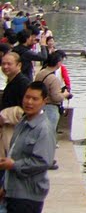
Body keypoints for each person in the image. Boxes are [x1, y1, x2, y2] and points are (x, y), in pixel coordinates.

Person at [0, 82, 55, 213]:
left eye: (35, 99)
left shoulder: (44, 129)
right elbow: (14, 153)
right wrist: (5, 186)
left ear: (44, 101)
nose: (29, 102)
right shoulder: (23, 122)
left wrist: (13, 165)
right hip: (13, 191)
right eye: (27, 97)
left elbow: (43, 162)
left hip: (28, 195)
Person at [32, 52, 68, 135]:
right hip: (50, 107)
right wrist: (65, 94)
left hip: (39, 105)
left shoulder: (41, 73)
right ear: (58, 63)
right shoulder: (53, 79)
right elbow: (56, 97)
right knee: (49, 133)